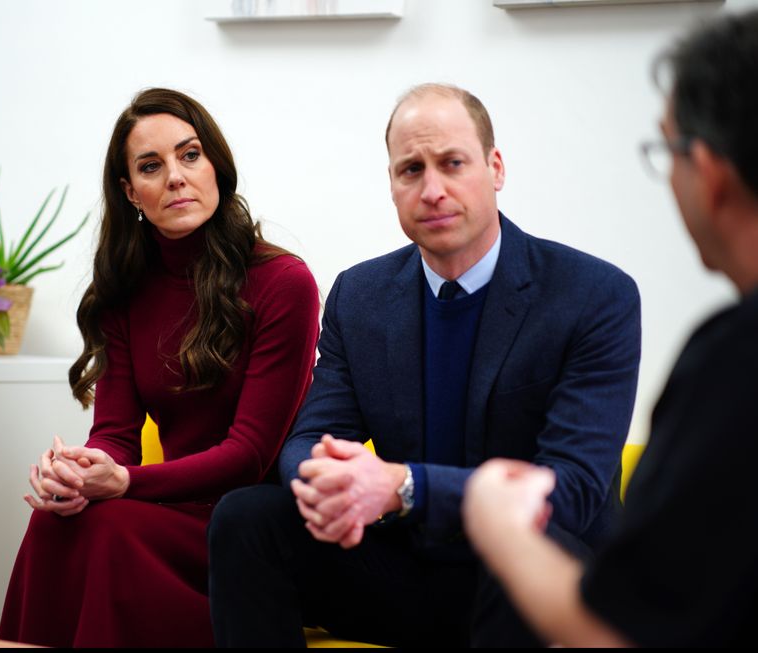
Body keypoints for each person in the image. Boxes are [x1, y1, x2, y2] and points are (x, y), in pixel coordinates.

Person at [208, 83, 642, 647]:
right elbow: (311, 436)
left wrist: (403, 487)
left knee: (523, 541)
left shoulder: (593, 295)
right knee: (246, 518)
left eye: (452, 163)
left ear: (495, 168)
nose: (433, 190)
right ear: (391, 184)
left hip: (539, 577)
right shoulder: (360, 296)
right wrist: (329, 483)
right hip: (409, 568)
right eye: (411, 170)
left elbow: (573, 491)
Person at [462, 10, 758, 647]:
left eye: (667, 151)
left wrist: (500, 526)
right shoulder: (363, 291)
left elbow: (621, 630)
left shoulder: (730, 361)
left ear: (708, 173)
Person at [0, 88, 320, 648]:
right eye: (151, 166)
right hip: (169, 506)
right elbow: (116, 435)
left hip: (248, 522)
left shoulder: (284, 282)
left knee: (111, 527)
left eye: (190, 155)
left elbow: (249, 454)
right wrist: (79, 471)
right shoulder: (125, 291)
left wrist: (124, 482)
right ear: (131, 192)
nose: (176, 177)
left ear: (216, 165)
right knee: (55, 517)